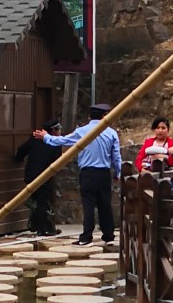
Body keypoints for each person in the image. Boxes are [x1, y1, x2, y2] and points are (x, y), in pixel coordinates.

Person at [37, 102, 121, 245]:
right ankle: (108, 235)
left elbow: (62, 141)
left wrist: (46, 137)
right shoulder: (111, 133)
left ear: (90, 116)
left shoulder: (82, 131)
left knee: (88, 205)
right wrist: (118, 173)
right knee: (105, 204)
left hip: (88, 173)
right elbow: (116, 157)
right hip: (104, 173)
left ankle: (86, 237)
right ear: (104, 115)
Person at [13, 128, 61, 233]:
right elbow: (57, 161)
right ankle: (43, 229)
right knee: (42, 203)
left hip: (31, 175)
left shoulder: (34, 140)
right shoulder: (55, 143)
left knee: (37, 201)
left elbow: (21, 149)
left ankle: (38, 225)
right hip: (44, 176)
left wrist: (18, 159)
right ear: (53, 131)